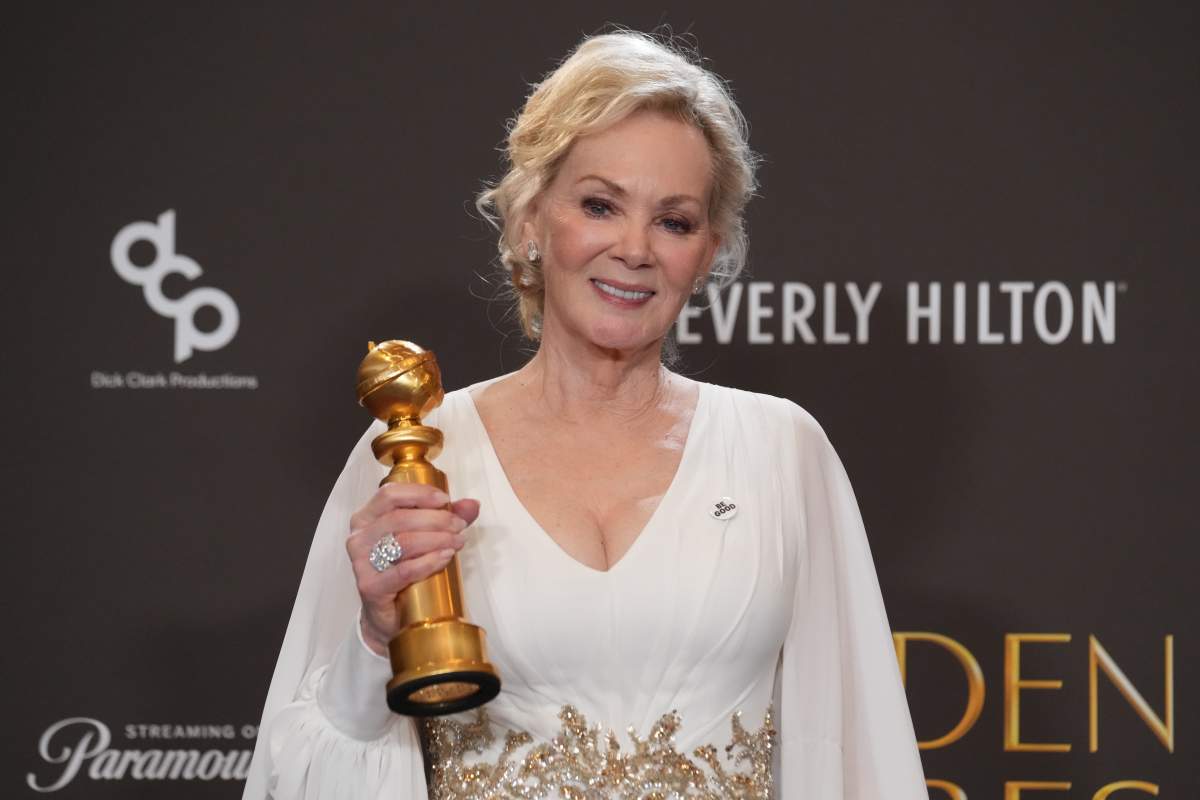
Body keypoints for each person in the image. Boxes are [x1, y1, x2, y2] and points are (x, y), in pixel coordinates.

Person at [244, 28, 928, 800]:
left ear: (707, 254)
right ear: (532, 221)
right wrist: (375, 638)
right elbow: (308, 763)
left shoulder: (782, 450)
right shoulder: (419, 455)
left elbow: (853, 753)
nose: (635, 248)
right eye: (601, 205)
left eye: (674, 221)